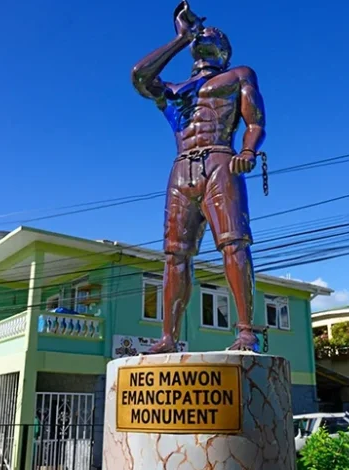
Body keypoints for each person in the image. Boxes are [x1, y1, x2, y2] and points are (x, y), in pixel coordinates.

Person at [131, 1, 266, 353]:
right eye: (201, 34)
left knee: (233, 244)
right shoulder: (175, 91)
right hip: (181, 169)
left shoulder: (238, 75)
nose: (206, 35)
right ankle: (168, 338)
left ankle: (246, 331)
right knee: (175, 256)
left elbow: (255, 122)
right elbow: (139, 77)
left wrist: (248, 151)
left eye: (213, 34)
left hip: (221, 161)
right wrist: (180, 39)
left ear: (224, 49)